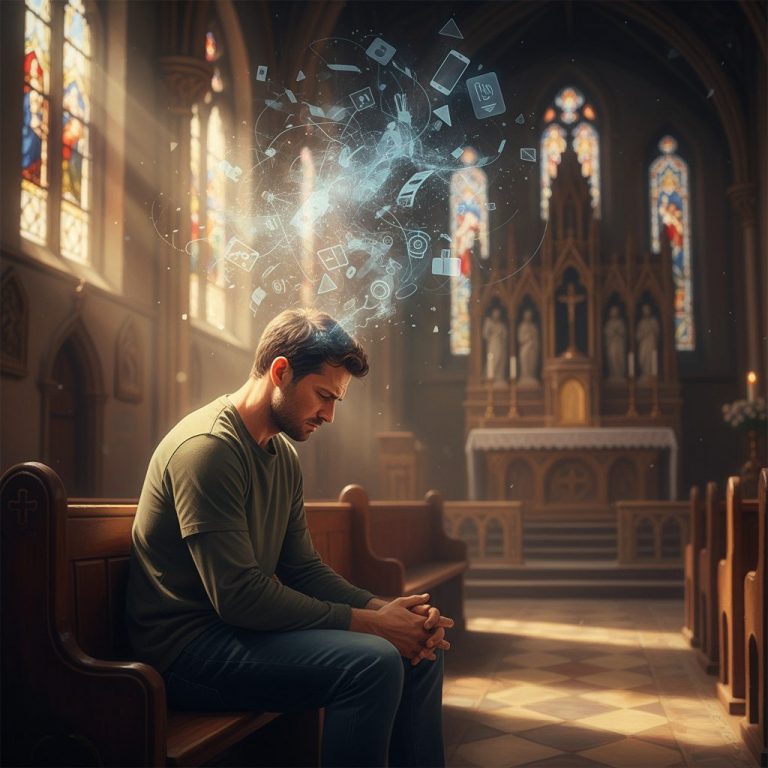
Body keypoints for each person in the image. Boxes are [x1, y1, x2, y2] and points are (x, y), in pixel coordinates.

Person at [126, 309, 452, 767]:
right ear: (280, 371)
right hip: (187, 653)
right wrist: (372, 624)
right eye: (324, 396)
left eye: (336, 400)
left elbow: (302, 568)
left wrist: (388, 611)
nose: (331, 415)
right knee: (372, 663)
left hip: (239, 636)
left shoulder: (280, 455)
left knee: (421, 652)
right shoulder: (207, 449)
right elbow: (238, 598)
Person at [482, 307, 508, 384]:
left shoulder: (501, 325)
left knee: (500, 358)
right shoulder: (489, 322)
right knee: (493, 359)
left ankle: (498, 376)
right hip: (493, 344)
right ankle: (490, 376)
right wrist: (489, 327)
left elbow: (505, 335)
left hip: (500, 344)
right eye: (495, 313)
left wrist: (501, 334)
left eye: (498, 314)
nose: (496, 315)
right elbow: (485, 335)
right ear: (493, 314)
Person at [636, 303, 660, 381]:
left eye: (647, 310)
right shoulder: (641, 322)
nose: (646, 312)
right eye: (644, 310)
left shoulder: (653, 321)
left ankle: (650, 374)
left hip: (651, 343)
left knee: (651, 358)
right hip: (644, 343)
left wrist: (651, 330)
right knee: (643, 357)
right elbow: (637, 335)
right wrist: (643, 333)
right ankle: (644, 373)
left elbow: (657, 332)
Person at [603, 305, 626, 381]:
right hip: (612, 344)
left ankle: (619, 374)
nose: (614, 313)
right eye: (613, 311)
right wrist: (612, 332)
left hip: (619, 344)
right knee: (612, 357)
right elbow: (606, 332)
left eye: (615, 311)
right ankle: (613, 373)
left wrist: (618, 332)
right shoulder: (609, 323)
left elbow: (623, 332)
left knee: (619, 358)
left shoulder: (620, 322)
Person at [517, 309, 540, 385]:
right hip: (525, 347)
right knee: (525, 362)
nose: (528, 317)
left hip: (532, 347)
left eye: (530, 316)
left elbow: (536, 338)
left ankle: (531, 375)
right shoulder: (522, 326)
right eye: (527, 316)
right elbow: (520, 339)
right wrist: (528, 337)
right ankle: (525, 376)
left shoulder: (533, 327)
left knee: (532, 362)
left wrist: (534, 340)